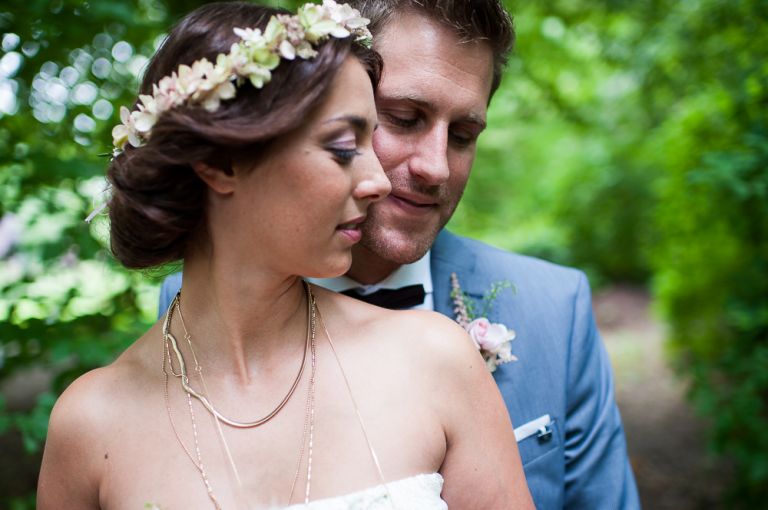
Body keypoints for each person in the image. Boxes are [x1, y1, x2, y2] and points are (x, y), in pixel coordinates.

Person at [38, 2, 535, 509]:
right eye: (344, 147)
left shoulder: (434, 359)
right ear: (221, 162)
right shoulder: (90, 425)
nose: (378, 181)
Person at [160, 0, 641, 508]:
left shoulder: (555, 308)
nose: (436, 168)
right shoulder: (194, 307)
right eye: (404, 118)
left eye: (463, 136)